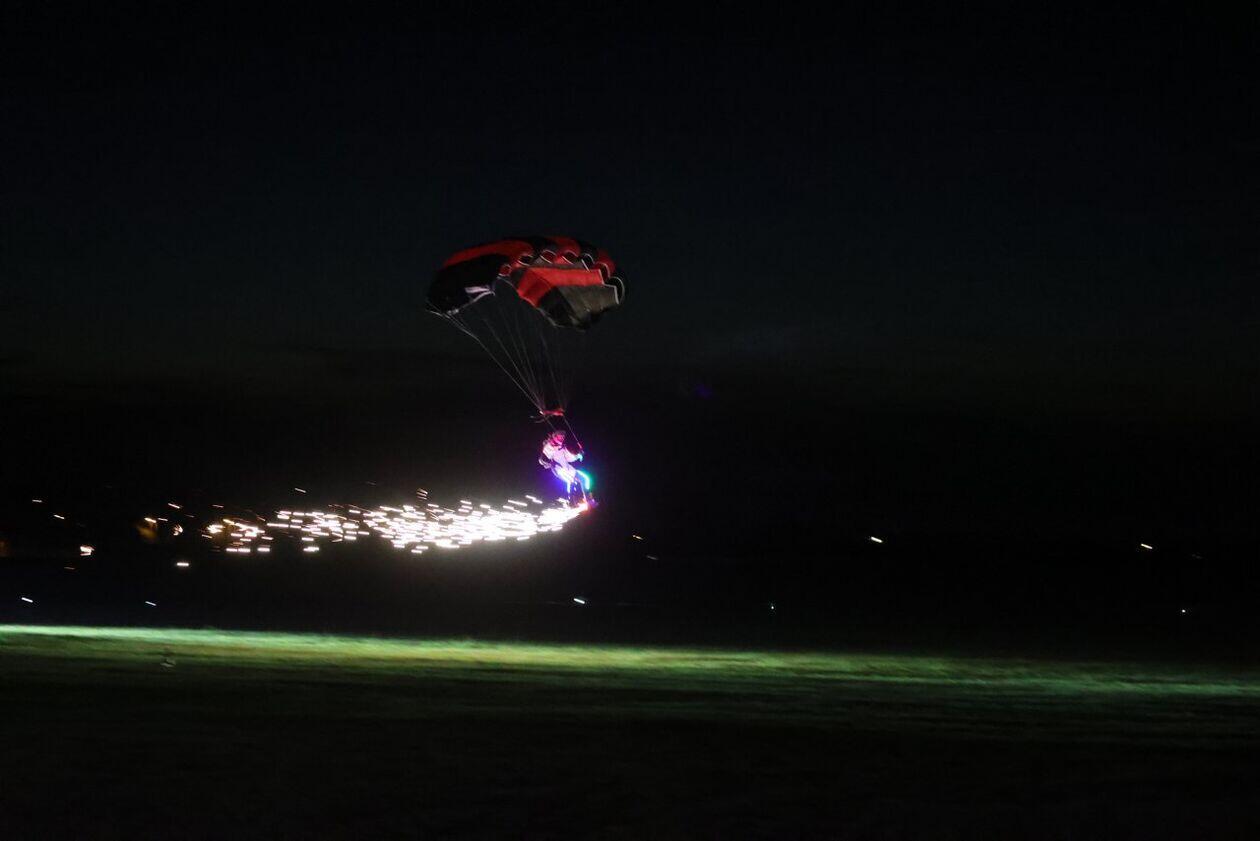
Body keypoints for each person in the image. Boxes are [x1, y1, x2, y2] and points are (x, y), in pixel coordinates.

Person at [539, 430, 586, 496]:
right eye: (560, 436)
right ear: (555, 437)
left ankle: (587, 498)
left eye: (563, 437)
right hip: (559, 469)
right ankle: (571, 500)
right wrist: (551, 444)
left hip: (568, 468)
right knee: (572, 482)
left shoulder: (562, 448)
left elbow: (569, 458)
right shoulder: (549, 447)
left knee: (582, 479)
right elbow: (543, 458)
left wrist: (578, 455)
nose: (562, 438)